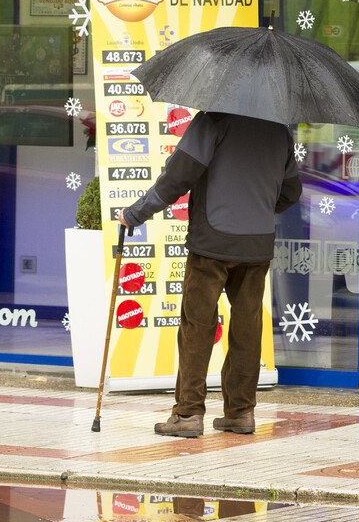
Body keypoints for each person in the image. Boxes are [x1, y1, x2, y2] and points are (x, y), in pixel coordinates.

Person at [118, 111, 301, 438]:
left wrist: (135, 214)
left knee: (197, 325)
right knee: (247, 326)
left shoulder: (213, 119)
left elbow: (177, 178)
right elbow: (291, 192)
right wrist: (256, 207)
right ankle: (241, 413)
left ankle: (188, 414)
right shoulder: (280, 130)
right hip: (257, 243)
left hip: (211, 243)